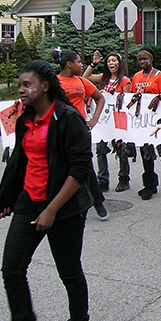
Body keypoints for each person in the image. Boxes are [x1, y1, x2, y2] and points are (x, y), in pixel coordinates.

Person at [0, 60, 94, 321]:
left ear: (45, 86)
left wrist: (51, 210)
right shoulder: (25, 118)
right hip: (29, 203)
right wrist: (8, 200)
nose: (21, 90)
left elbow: (80, 170)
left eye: (27, 85)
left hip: (64, 208)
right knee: (12, 270)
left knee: (69, 271)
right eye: (20, 85)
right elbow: (20, 162)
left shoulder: (67, 118)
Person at [55, 49, 109, 221]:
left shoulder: (81, 81)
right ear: (69, 64)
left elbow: (100, 98)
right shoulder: (54, 82)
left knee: (86, 166)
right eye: (78, 62)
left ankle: (98, 202)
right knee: (60, 166)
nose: (81, 64)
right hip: (59, 131)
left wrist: (93, 119)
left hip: (80, 130)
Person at [83, 51, 131, 190]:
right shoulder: (104, 78)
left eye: (114, 60)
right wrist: (94, 63)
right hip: (104, 119)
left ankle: (124, 179)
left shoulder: (125, 81)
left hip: (118, 118)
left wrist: (112, 95)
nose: (111, 63)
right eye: (109, 61)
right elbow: (85, 78)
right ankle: (103, 180)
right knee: (101, 149)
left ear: (119, 63)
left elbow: (126, 101)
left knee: (121, 149)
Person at [129, 47, 161, 198]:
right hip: (140, 119)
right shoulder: (137, 76)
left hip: (152, 118)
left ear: (151, 59)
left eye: (145, 59)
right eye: (140, 59)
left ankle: (149, 185)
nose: (142, 62)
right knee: (143, 151)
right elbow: (131, 96)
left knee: (148, 151)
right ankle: (151, 182)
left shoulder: (160, 76)